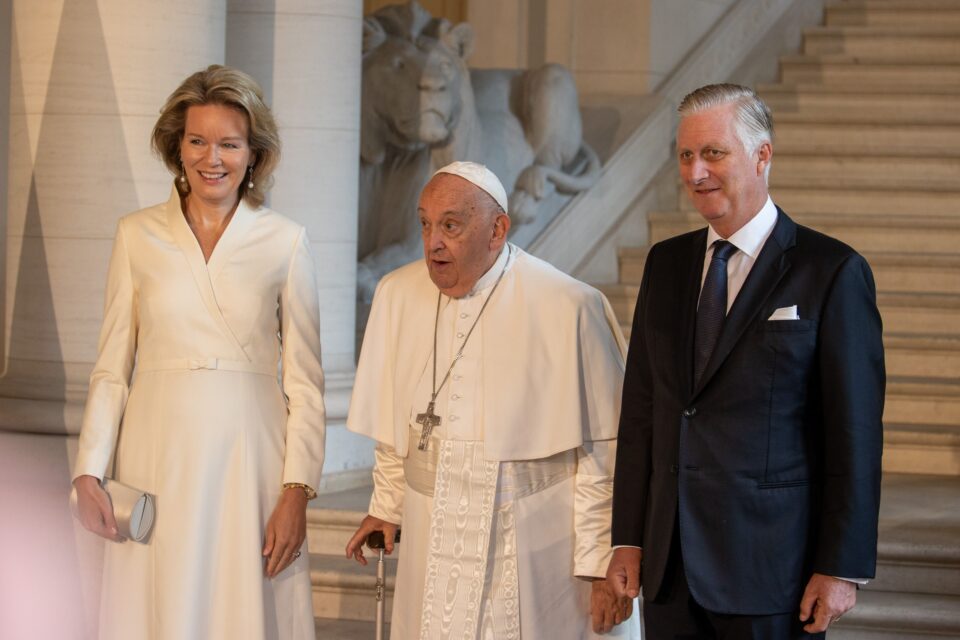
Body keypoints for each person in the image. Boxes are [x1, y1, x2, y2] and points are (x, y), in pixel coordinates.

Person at [606, 83, 885, 639]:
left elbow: (852, 433)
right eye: (686, 155)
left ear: (762, 155)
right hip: (670, 567)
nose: (695, 172)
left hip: (772, 570)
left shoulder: (832, 271)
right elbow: (642, 412)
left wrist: (840, 565)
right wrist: (628, 536)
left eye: (713, 153)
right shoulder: (665, 264)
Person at [71, 65, 325, 639]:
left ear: (254, 154)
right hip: (156, 452)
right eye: (198, 140)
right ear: (176, 147)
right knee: (155, 606)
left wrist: (297, 490)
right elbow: (112, 368)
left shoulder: (286, 241)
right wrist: (88, 468)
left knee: (244, 607)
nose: (213, 158)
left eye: (230, 143)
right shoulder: (136, 234)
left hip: (250, 457)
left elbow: (306, 385)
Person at [345, 161, 640, 638]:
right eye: (425, 224)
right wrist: (387, 505)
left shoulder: (568, 305)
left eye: (451, 225)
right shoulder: (396, 295)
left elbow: (605, 450)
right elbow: (395, 424)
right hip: (433, 530)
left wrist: (598, 560)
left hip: (535, 542)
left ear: (497, 229)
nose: (433, 241)